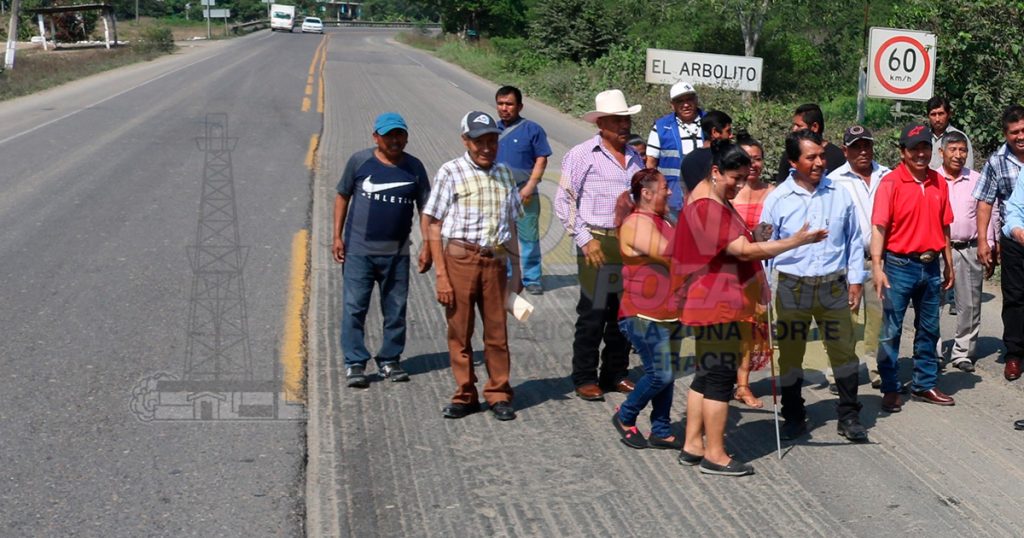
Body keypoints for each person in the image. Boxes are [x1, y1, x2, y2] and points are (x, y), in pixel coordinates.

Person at [674, 140, 826, 476]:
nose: (741, 185)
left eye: (745, 178)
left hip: (712, 302)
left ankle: (692, 444)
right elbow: (742, 252)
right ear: (715, 172)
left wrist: (755, 233)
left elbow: (731, 245)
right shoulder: (707, 207)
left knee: (705, 376)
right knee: (718, 379)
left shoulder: (711, 200)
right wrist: (795, 241)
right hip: (717, 305)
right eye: (735, 178)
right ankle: (715, 453)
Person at [761, 129, 868, 442]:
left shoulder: (840, 194)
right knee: (791, 355)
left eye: (821, 155)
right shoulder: (778, 199)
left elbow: (853, 240)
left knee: (844, 352)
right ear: (794, 161)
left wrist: (856, 281)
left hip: (833, 287)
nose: (820, 162)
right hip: (792, 288)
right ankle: (793, 414)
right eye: (811, 157)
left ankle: (849, 415)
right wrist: (763, 289)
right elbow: (765, 248)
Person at [423, 111, 523, 421]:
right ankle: (465, 394)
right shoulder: (450, 172)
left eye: (492, 140)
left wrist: (516, 272)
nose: (487, 147)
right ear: (466, 141)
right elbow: (433, 222)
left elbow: (512, 225)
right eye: (479, 141)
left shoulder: (506, 174)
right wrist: (441, 274)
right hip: (460, 259)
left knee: (497, 332)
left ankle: (499, 393)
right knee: (459, 331)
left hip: (495, 262)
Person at [554, 89, 644, 402]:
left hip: (626, 243)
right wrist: (584, 239)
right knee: (593, 312)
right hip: (595, 239)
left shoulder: (634, 157)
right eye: (617, 120)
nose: (624, 125)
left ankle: (615, 372)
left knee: (623, 312)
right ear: (601, 123)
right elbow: (564, 200)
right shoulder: (582, 154)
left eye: (626, 119)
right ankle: (584, 376)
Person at [333, 112, 432, 388]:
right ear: (376, 137)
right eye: (388, 135)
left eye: (399, 134)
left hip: (397, 253)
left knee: (396, 308)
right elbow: (342, 196)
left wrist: (427, 243)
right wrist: (336, 237)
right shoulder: (360, 162)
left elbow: (425, 207)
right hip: (358, 252)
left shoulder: (414, 167)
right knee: (354, 308)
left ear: (406, 137)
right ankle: (355, 363)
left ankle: (390, 359)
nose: (394, 140)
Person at [871, 123, 955, 413]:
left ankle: (924, 383)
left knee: (930, 329)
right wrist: (877, 267)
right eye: (914, 148)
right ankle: (891, 387)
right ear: (902, 152)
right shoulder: (890, 183)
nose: (921, 153)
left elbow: (945, 225)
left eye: (925, 147)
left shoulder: (939, 182)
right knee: (890, 331)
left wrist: (949, 263)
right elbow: (879, 228)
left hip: (931, 266)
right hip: (898, 265)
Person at [611, 169, 681, 450]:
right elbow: (672, 255)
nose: (670, 192)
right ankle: (625, 415)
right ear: (647, 193)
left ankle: (661, 429)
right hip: (642, 313)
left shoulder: (663, 220)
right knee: (659, 373)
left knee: (668, 373)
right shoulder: (637, 224)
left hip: (668, 312)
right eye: (665, 187)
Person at [826, 125, 891, 391]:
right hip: (846, 260)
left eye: (866, 145)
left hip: (880, 259)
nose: (862, 151)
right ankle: (839, 372)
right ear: (845, 150)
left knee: (879, 318)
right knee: (845, 319)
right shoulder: (833, 180)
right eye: (856, 146)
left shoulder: (887, 175)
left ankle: (877, 369)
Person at [939, 131, 997, 372]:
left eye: (963, 150)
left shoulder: (976, 179)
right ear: (941, 153)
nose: (958, 155)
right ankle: (931, 351)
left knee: (970, 304)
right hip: (938, 249)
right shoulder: (932, 179)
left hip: (969, 248)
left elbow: (991, 212)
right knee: (933, 303)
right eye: (953, 150)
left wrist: (990, 243)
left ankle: (963, 352)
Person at [974, 104, 1024, 381]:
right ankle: (1015, 353)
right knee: (1015, 297)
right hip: (1014, 238)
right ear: (1006, 134)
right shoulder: (996, 161)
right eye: (1015, 132)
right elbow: (985, 202)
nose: (1021, 136)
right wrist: (984, 241)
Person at [495, 85, 552, 296]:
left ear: (519, 106)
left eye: (509, 104)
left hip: (525, 192)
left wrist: (530, 186)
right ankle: (508, 275)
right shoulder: (492, 130)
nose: (504, 108)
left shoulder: (533, 129)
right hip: (499, 194)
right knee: (502, 237)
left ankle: (532, 278)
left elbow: (541, 159)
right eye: (500, 103)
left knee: (529, 238)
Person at [646, 81, 705, 218]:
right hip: (673, 200)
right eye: (680, 101)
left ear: (696, 100)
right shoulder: (661, 127)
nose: (686, 104)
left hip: (705, 197)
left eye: (689, 99)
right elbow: (651, 163)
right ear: (672, 105)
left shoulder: (709, 122)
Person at [774, 103, 846, 182]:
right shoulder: (791, 153)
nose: (794, 129)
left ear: (814, 127)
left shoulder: (838, 156)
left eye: (799, 126)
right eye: (810, 158)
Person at [678, 110, 733, 203]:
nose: (731, 136)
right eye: (728, 131)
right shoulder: (728, 157)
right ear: (714, 132)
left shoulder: (688, 160)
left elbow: (685, 192)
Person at [732, 131, 774, 230]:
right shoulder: (729, 193)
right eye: (747, 159)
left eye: (758, 159)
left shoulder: (773, 192)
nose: (752, 164)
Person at [927, 96, 974, 171]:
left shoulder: (960, 137)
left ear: (949, 114)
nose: (937, 119)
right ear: (928, 116)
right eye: (933, 114)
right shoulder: (924, 137)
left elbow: (967, 169)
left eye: (941, 114)